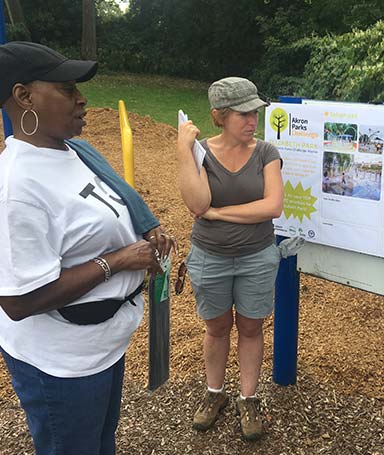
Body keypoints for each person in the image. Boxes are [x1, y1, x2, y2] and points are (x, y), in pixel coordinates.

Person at [0, 41, 175, 455]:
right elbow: (18, 301)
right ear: (23, 96)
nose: (82, 100)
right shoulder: (17, 189)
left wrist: (148, 235)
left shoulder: (73, 151)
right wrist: (117, 260)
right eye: (66, 89)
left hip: (101, 346)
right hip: (62, 364)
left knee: (99, 443)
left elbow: (113, 205)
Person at [177, 77, 283, 440]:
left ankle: (248, 398)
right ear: (219, 116)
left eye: (254, 112)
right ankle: (214, 393)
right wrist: (182, 148)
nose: (252, 120)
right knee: (216, 328)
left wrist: (220, 214)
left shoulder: (266, 152)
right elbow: (196, 204)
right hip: (210, 257)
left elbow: (273, 206)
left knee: (251, 328)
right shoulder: (200, 151)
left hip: (257, 257)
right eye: (243, 114)